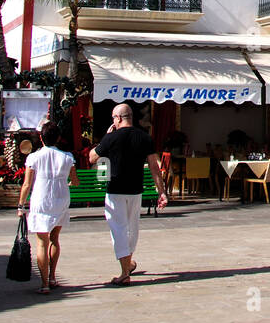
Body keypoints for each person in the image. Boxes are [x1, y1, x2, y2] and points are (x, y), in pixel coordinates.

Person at [89, 103, 167, 286]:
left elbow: (92, 157)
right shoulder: (144, 137)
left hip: (115, 190)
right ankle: (128, 263)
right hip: (135, 190)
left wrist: (106, 138)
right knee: (132, 229)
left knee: (118, 229)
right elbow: (155, 167)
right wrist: (161, 191)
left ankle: (125, 272)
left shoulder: (111, 138)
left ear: (117, 118)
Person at [17, 121, 78, 294]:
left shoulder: (34, 157)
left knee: (42, 242)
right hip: (60, 198)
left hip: (41, 198)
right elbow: (75, 181)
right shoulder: (67, 157)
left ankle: (44, 284)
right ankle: (52, 276)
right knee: (55, 238)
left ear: (41, 139)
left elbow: (27, 184)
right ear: (58, 138)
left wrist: (21, 205)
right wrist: (66, 183)